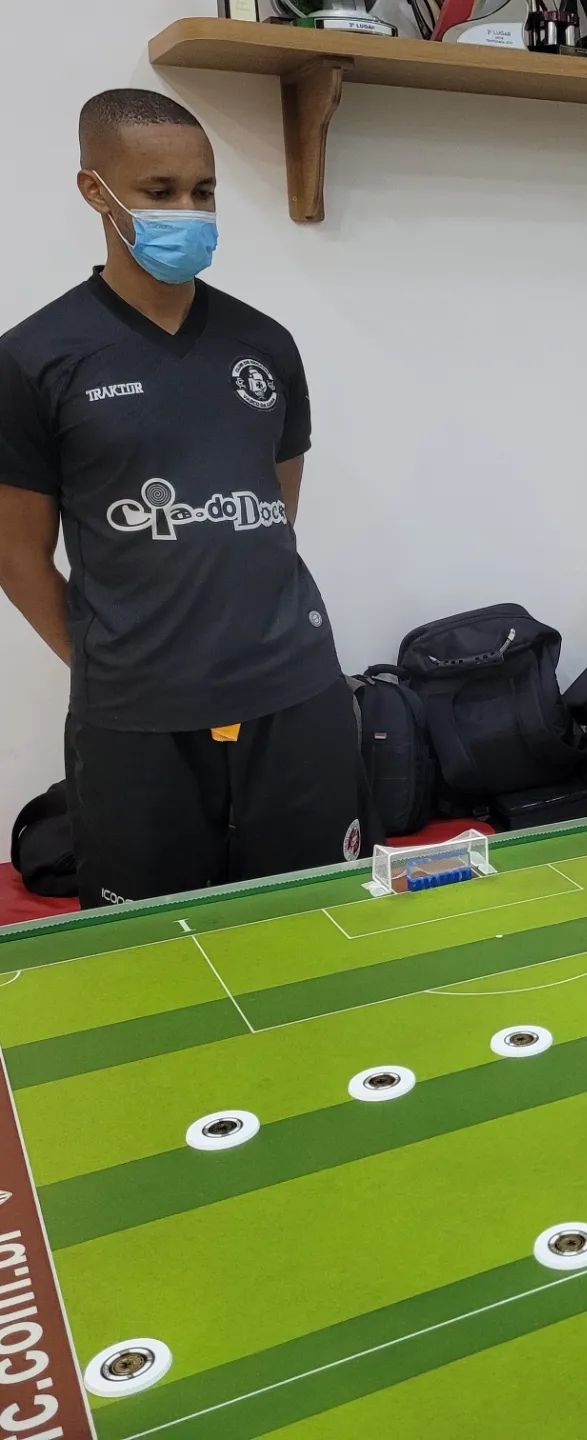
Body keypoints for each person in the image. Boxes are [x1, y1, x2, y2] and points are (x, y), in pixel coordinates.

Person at [0, 89, 374, 908]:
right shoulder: (33, 359)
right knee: (153, 947)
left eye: (202, 192)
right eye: (160, 191)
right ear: (95, 191)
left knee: (314, 921)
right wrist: (110, 662)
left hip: (293, 692)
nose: (188, 213)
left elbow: (273, 511)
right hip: (136, 719)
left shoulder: (265, 344)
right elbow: (16, 556)